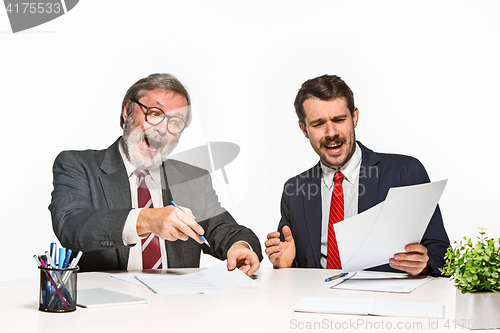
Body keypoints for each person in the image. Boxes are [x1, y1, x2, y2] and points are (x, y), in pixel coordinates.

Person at [50, 73, 262, 275]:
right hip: (109, 306)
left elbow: (226, 230)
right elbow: (70, 225)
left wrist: (239, 247)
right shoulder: (78, 165)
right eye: (154, 113)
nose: (162, 129)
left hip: (175, 305)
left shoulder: (192, 179)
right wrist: (147, 219)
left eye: (176, 122)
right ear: (127, 111)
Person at [265, 74, 449, 276]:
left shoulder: (405, 173)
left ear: (354, 117)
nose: (331, 132)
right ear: (304, 129)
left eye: (339, 119)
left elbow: (441, 252)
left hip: (384, 303)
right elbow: (295, 268)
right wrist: (285, 267)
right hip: (318, 303)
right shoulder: (295, 190)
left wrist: (425, 262)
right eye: (318, 124)